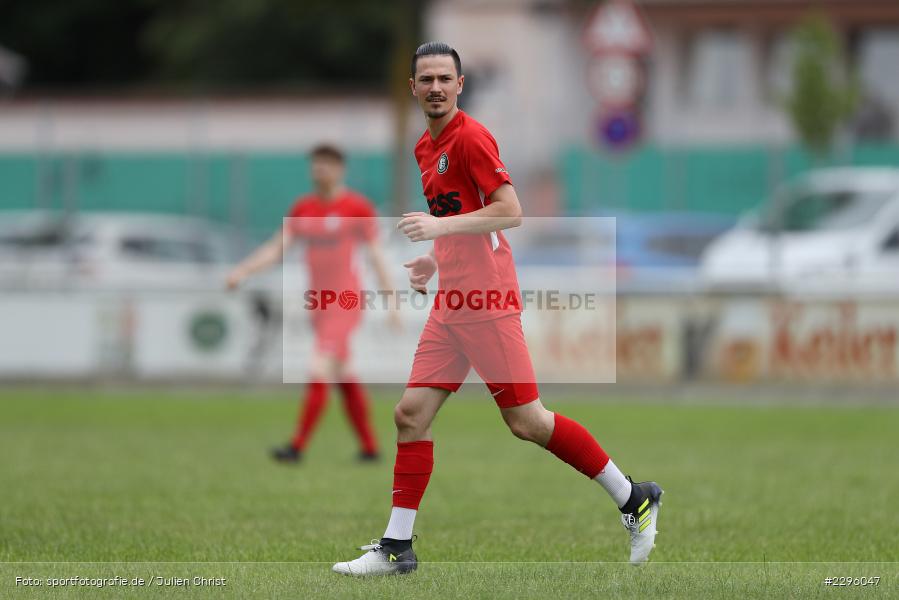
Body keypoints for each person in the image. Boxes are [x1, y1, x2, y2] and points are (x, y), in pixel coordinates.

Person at [331, 42, 663, 576]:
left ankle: (634, 498)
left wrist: (438, 230)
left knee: (527, 422)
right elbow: (465, 220)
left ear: (459, 85)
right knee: (410, 415)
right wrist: (434, 262)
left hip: (487, 303)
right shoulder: (423, 147)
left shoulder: (472, 138)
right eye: (426, 79)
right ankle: (397, 548)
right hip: (451, 304)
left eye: (445, 78)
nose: (436, 87)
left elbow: (510, 211)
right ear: (412, 88)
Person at [227, 144, 398, 463]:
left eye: (327, 165)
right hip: (318, 303)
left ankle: (297, 446)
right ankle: (370, 448)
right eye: (316, 165)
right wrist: (243, 270)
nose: (320, 170)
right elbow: (277, 248)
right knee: (344, 373)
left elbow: (376, 256)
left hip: (346, 301)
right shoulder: (303, 208)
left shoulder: (357, 207)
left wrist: (392, 301)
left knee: (319, 366)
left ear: (340, 169)